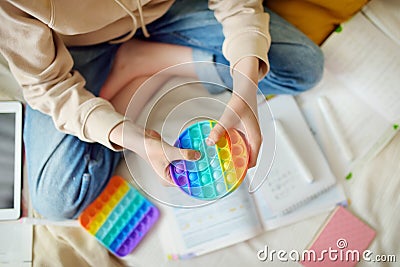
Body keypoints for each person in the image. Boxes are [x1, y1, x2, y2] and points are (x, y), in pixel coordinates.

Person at [0, 0, 323, 220]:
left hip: (166, 11)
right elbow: (50, 88)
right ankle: (141, 63)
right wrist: (133, 138)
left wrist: (245, 88)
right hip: (76, 51)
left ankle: (146, 61)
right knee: (58, 201)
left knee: (302, 67)